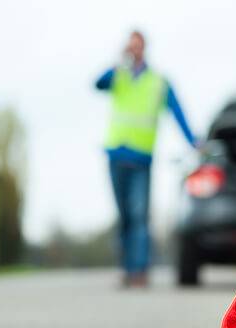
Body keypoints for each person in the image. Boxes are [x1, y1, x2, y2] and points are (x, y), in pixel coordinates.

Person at [95, 30, 197, 288]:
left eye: (137, 46)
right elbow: (97, 84)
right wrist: (118, 63)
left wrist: (194, 141)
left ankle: (139, 271)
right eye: (130, 47)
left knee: (139, 214)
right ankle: (127, 268)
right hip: (117, 154)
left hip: (141, 158)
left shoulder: (158, 82)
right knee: (125, 216)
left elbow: (177, 112)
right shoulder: (118, 76)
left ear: (145, 49)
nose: (134, 50)